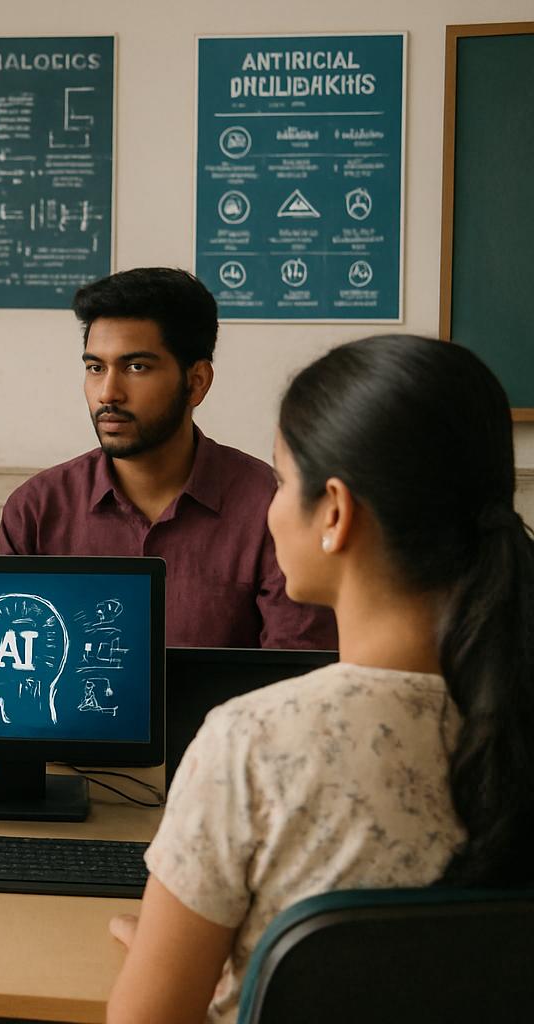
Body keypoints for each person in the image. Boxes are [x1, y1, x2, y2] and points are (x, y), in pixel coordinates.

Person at [106, 335, 534, 1023]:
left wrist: (183, 976)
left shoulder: (251, 744)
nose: (270, 509)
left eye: (279, 481)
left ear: (333, 512)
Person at [0, 267, 335, 650]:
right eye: (95, 368)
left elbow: (293, 676)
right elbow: (18, 670)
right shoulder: (36, 511)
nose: (108, 393)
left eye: (136, 367)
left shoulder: (270, 508)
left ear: (196, 382)